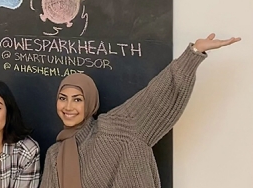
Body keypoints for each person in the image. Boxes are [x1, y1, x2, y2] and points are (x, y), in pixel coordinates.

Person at [40, 33, 241, 188]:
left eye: (77, 100)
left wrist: (194, 53)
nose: (68, 107)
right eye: (62, 98)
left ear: (90, 103)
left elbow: (157, 96)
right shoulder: (55, 154)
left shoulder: (117, 127)